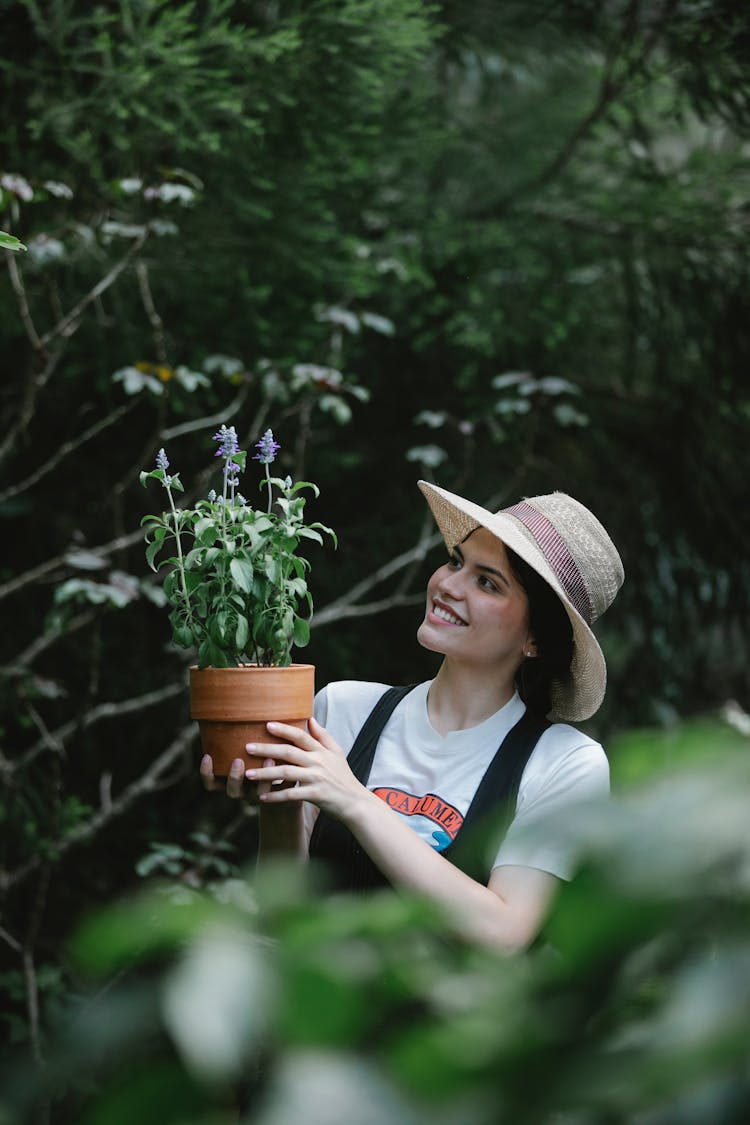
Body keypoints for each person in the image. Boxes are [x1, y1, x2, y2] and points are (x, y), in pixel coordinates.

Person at [201, 481, 624, 951]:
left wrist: (355, 801)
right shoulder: (342, 709)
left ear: (536, 639)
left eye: (487, 582)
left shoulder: (565, 763)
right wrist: (280, 799)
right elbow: (284, 913)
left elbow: (503, 934)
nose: (448, 586)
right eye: (456, 562)